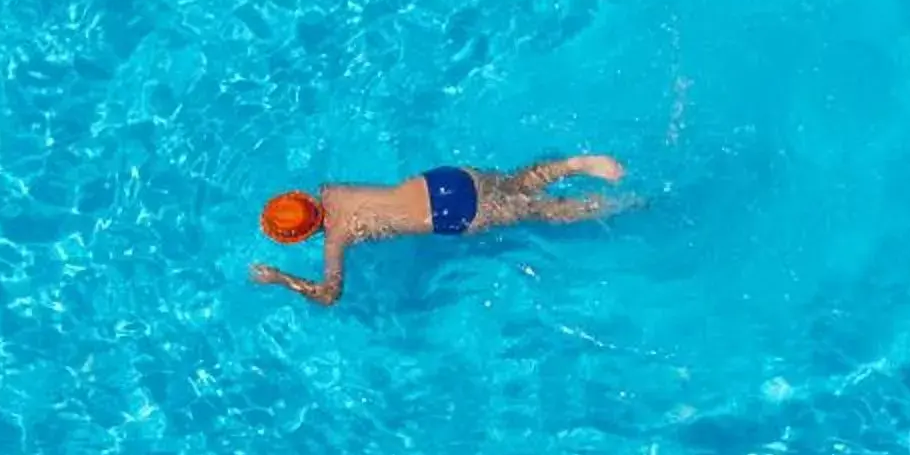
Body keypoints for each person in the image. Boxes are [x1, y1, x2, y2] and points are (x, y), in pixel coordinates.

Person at [249, 155, 634, 307]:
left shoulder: (336, 239)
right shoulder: (332, 191)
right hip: (445, 180)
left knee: (545, 212)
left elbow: (329, 294)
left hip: (456, 213)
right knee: (519, 183)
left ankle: (629, 204)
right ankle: (573, 164)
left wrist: (279, 278)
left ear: (302, 236)